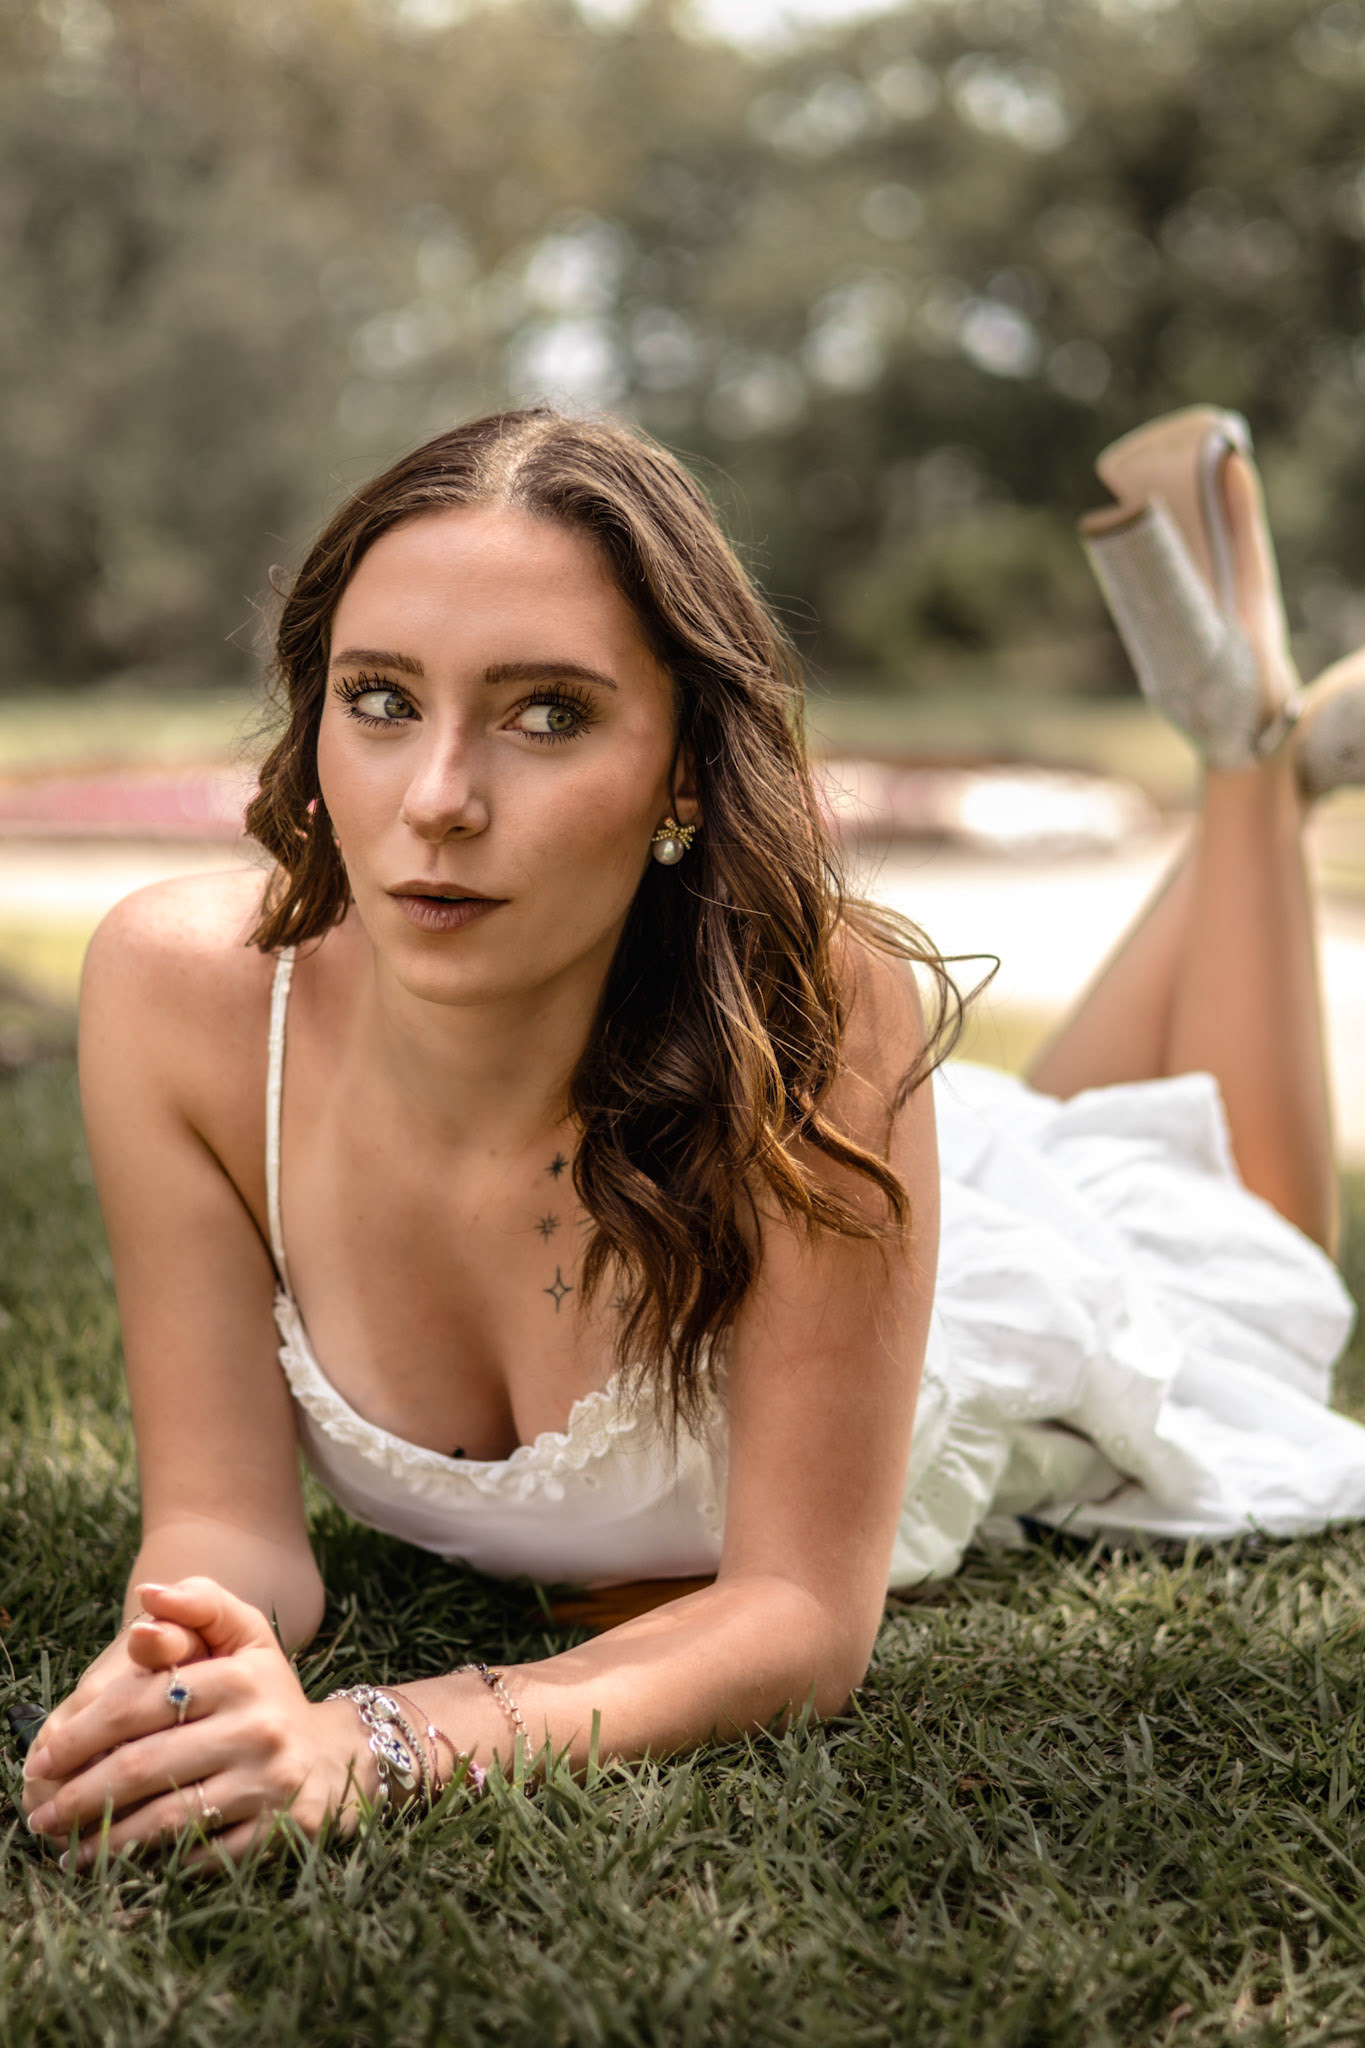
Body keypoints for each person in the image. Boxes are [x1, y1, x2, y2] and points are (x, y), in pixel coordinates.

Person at [20, 404, 1365, 1871]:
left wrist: (377, 1739)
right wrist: (175, 1672)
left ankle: (1244, 752)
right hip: (870, 1154)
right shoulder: (184, 998)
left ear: (681, 769)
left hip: (913, 1271)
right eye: (382, 699)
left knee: (1255, 1248)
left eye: (548, 714)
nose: (438, 800)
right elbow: (224, 1526)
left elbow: (800, 1617)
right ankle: (1245, 736)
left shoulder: (820, 1015)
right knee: (1064, 1135)